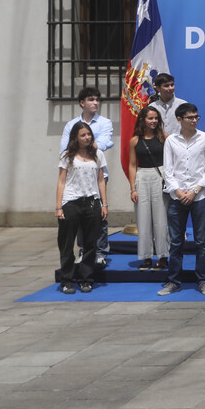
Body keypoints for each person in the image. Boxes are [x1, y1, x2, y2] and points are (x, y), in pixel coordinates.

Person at [158, 103, 205, 296]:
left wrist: (195, 190)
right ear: (179, 119)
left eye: (196, 117)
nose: (194, 120)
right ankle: (173, 281)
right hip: (177, 196)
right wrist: (179, 191)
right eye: (190, 117)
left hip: (200, 196)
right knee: (176, 241)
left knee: (202, 241)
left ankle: (203, 280)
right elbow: (168, 170)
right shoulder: (171, 141)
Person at [59, 86, 114, 266]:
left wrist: (85, 145)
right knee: (79, 216)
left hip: (96, 173)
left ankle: (100, 251)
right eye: (91, 99)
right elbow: (65, 148)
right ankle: (83, 248)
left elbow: (104, 143)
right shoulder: (71, 125)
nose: (95, 103)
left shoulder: (105, 122)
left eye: (97, 99)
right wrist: (82, 147)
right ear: (82, 103)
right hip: (76, 175)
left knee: (99, 215)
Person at [55, 121, 107, 294]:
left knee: (90, 243)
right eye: (83, 135)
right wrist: (58, 206)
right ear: (75, 138)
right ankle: (67, 280)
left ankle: (86, 279)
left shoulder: (98, 154)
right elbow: (61, 181)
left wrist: (104, 204)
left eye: (89, 134)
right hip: (71, 202)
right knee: (67, 243)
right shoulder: (67, 155)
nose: (87, 138)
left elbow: (101, 180)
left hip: (92, 202)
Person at [127, 105, 167, 271]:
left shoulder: (164, 137)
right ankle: (146, 257)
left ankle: (163, 256)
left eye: (156, 118)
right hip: (142, 177)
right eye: (150, 118)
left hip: (160, 176)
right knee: (143, 219)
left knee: (161, 219)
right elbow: (131, 165)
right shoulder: (135, 140)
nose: (154, 121)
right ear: (143, 120)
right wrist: (132, 188)